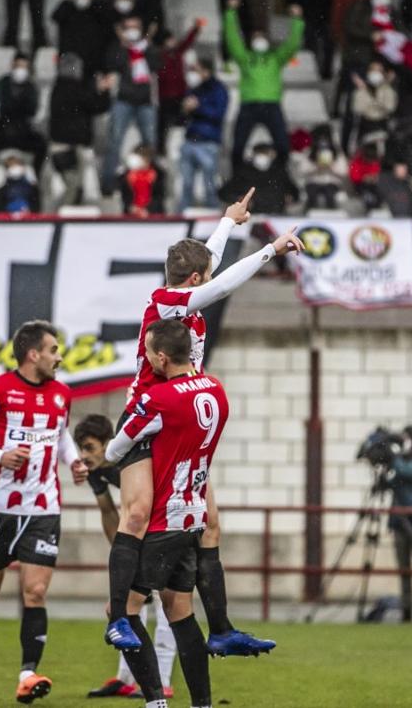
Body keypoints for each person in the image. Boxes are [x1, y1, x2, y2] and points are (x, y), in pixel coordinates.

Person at [102, 198, 299, 661]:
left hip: (179, 419)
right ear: (194, 282)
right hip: (146, 418)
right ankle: (118, 620)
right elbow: (222, 282)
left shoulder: (184, 290)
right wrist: (270, 249)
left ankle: (223, 629)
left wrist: (227, 222)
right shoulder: (169, 302)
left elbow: (209, 264)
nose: (208, 278)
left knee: (210, 522)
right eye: (203, 276)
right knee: (135, 515)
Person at [0, 320, 88, 705]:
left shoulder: (62, 394)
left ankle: (27, 674)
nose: (59, 357)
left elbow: (60, 436)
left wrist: (73, 461)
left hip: (44, 508)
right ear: (33, 354)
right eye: (54, 350)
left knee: (36, 592)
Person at [101, 319, 230, 708]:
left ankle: (155, 702)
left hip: (163, 520)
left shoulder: (161, 398)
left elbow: (114, 450)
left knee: (121, 609)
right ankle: (202, 704)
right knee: (179, 611)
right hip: (194, 514)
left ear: (160, 357)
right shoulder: (216, 390)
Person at [75, 415, 178, 699]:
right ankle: (126, 679)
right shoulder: (96, 470)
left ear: (108, 443)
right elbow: (108, 512)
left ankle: (164, 679)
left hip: (167, 524)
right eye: (81, 448)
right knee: (131, 601)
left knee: (165, 599)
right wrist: (122, 555)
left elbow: (159, 500)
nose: (84, 455)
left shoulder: (132, 455)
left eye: (89, 447)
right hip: (140, 530)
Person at [225, 0, 304, 169]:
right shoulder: (245, 58)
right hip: (249, 106)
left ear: (267, 40)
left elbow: (292, 44)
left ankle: (280, 179)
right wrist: (231, 13)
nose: (259, 39)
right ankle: (238, 180)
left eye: (262, 36)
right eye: (255, 37)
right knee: (238, 145)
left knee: (283, 145)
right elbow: (232, 39)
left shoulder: (275, 58)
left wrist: (296, 20)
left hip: (271, 105)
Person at [378, 425, 412, 623]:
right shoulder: (399, 461)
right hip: (399, 523)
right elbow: (391, 483)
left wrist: (393, 457)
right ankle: (407, 611)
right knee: (404, 570)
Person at [48, 53, 113, 208]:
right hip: (69, 146)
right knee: (74, 186)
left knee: (74, 186)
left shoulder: (58, 89)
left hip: (63, 145)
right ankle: (58, 216)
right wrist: (103, 91)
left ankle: (62, 214)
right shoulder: (74, 89)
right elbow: (97, 106)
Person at [102, 15, 160, 189]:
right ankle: (108, 185)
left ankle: (153, 185)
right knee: (114, 142)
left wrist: (146, 47)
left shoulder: (148, 48)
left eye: (136, 27)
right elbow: (112, 63)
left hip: (146, 102)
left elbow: (157, 64)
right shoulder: (117, 48)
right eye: (129, 27)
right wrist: (124, 45)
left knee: (150, 143)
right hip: (123, 100)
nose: (133, 30)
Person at [0, 53, 47, 181]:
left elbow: (34, 111)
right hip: (3, 129)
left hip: (23, 131)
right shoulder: (2, 84)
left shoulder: (31, 87)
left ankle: (35, 178)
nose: (21, 70)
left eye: (24, 67)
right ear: (13, 66)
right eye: (19, 66)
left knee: (42, 144)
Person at [177, 56, 229, 212]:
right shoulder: (193, 89)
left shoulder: (218, 89)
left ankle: (212, 213)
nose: (193, 74)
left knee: (209, 183)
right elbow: (182, 116)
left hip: (207, 142)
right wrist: (185, 110)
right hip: (189, 140)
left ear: (206, 71)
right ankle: (182, 214)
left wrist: (198, 107)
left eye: (196, 70)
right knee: (186, 183)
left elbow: (218, 114)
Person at [285, 0, 335, 80]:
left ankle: (326, 73)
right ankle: (311, 71)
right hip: (307, 17)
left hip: (326, 17)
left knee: (328, 46)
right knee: (310, 45)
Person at [51, 0, 115, 77]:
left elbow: (109, 16)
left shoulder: (96, 9)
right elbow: (56, 16)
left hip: (94, 61)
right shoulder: (69, 8)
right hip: (72, 61)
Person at [155, 21, 203, 149]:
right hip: (165, 97)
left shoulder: (178, 52)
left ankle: (184, 146)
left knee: (182, 123)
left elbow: (187, 41)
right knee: (162, 126)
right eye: (170, 39)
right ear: (164, 41)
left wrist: (195, 29)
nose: (173, 41)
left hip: (180, 94)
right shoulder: (158, 55)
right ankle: (161, 149)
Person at [221, 143, 299, 215]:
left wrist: (290, 198)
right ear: (254, 154)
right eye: (260, 153)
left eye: (265, 153)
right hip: (249, 217)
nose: (262, 156)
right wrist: (238, 199)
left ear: (271, 155)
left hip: (276, 216)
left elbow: (295, 193)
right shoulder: (244, 172)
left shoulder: (279, 172)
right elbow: (224, 193)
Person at [350, 60, 397, 146]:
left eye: (379, 70)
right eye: (373, 70)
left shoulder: (388, 90)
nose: (376, 73)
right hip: (365, 125)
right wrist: (365, 91)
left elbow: (390, 107)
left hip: (382, 125)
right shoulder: (360, 90)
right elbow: (358, 108)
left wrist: (372, 102)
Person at [118, 145, 166, 216]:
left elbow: (159, 197)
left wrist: (148, 209)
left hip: (153, 215)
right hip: (132, 215)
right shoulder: (127, 175)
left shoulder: (157, 174)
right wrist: (131, 207)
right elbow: (125, 197)